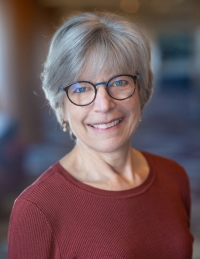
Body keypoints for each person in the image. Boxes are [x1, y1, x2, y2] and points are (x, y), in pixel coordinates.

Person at [8, 12, 193, 258]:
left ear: (141, 91)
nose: (104, 105)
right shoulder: (37, 208)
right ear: (62, 106)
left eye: (119, 82)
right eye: (81, 88)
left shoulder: (174, 176)